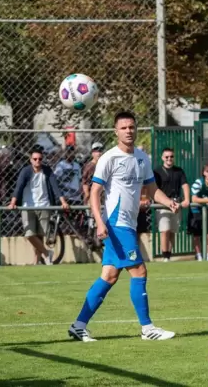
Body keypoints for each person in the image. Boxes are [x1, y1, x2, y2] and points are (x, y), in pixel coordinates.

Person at [68, 111, 179, 342]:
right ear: (116, 132)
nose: (129, 131)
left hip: (128, 223)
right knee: (139, 271)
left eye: (132, 127)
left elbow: (151, 189)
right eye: (124, 127)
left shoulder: (142, 158)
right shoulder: (109, 158)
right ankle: (147, 328)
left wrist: (168, 201)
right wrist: (99, 222)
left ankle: (79, 325)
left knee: (108, 276)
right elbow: (95, 193)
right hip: (116, 224)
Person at [8, 147, 71, 265]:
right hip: (28, 206)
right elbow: (19, 187)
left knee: (40, 235)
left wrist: (63, 202)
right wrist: (13, 202)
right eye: (35, 159)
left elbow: (55, 187)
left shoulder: (47, 171)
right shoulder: (25, 171)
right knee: (30, 234)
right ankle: (47, 254)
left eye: (40, 159)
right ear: (30, 160)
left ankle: (36, 262)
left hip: (44, 205)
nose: (37, 161)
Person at [153, 148, 190, 262]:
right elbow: (153, 189)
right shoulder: (157, 171)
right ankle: (165, 256)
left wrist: (186, 200)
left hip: (176, 205)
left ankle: (169, 254)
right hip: (162, 205)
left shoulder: (179, 171)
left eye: (171, 156)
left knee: (173, 231)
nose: (169, 159)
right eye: (167, 157)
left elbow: (185, 185)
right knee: (165, 230)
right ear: (162, 158)